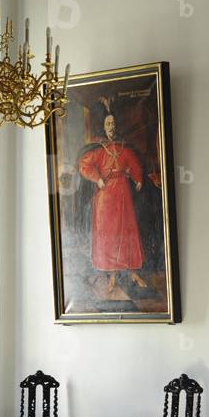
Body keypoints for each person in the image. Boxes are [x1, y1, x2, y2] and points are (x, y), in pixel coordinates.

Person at [78, 108, 148, 295]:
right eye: (108, 123)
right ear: (103, 126)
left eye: (114, 123)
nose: (111, 126)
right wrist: (97, 178)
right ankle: (113, 276)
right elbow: (84, 165)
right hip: (105, 197)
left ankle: (133, 272)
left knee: (127, 232)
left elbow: (134, 163)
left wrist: (138, 178)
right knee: (109, 235)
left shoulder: (124, 147)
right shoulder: (98, 149)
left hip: (123, 193)